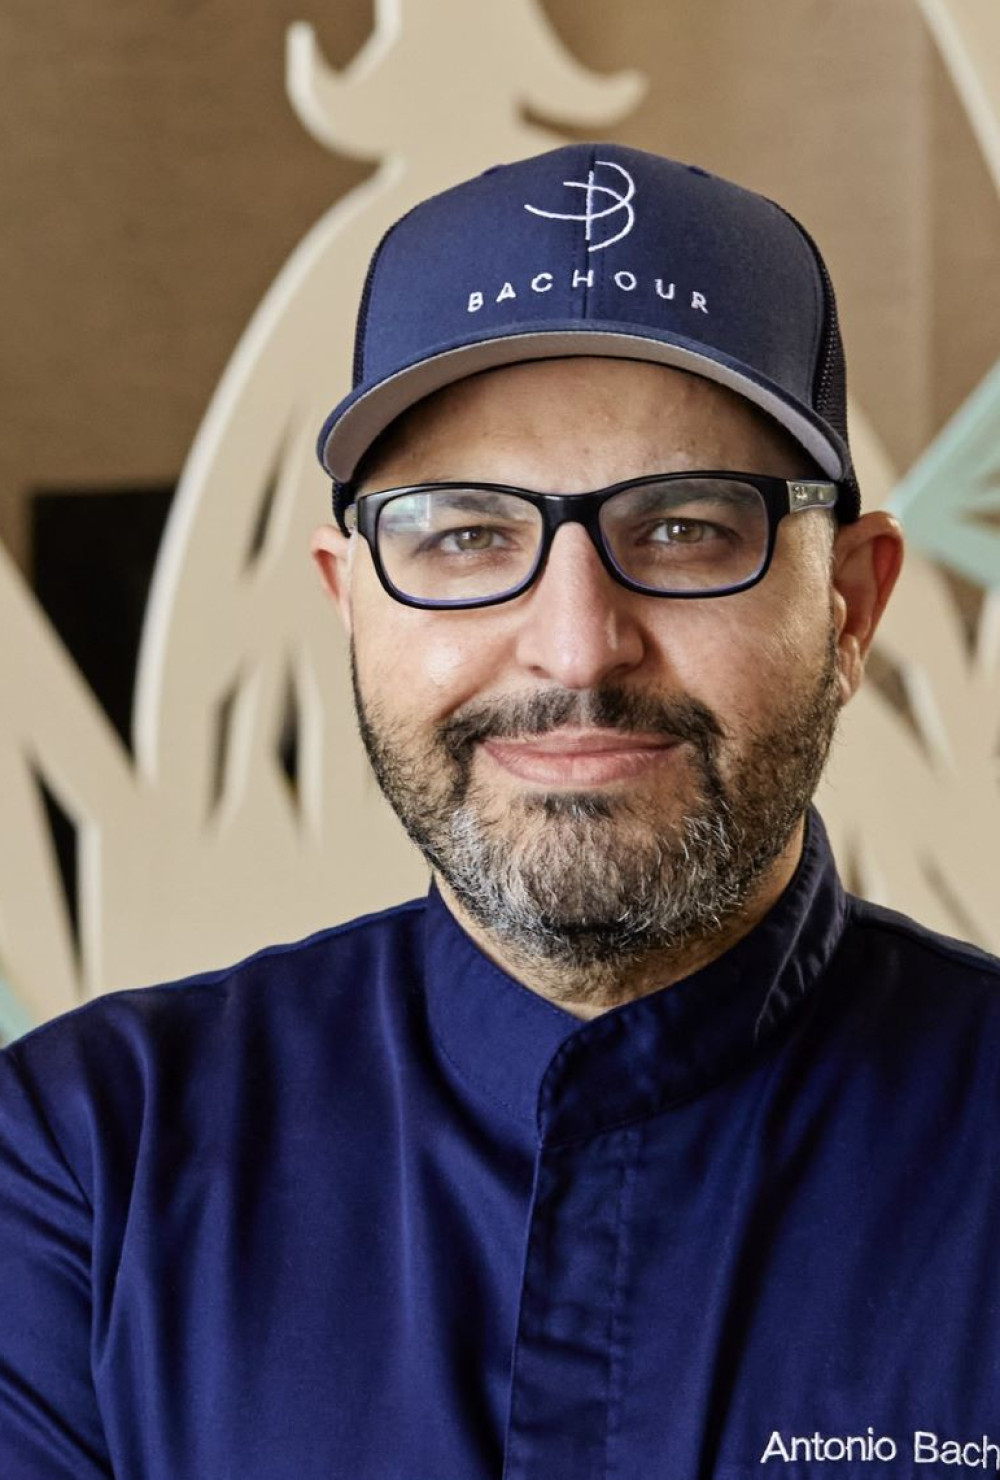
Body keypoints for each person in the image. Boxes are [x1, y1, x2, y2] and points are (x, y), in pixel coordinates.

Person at [1, 144, 998, 1480]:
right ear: (350, 603)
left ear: (850, 606)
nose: (577, 648)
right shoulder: (82, 1166)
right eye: (466, 535)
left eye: (688, 528)